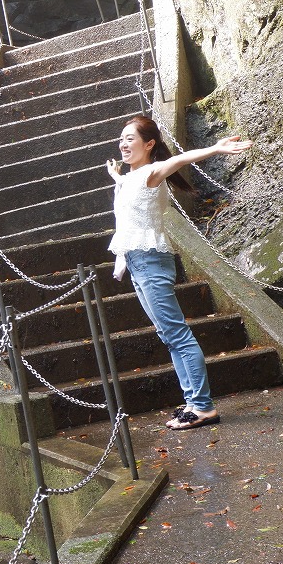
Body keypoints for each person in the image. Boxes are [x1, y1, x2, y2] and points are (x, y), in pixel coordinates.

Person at [105, 115, 253, 431]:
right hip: (136, 263)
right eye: (121, 138)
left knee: (177, 335)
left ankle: (202, 406)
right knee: (169, 336)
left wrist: (215, 148)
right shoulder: (131, 177)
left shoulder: (151, 172)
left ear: (149, 144)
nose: (123, 143)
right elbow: (129, 197)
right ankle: (193, 402)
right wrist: (115, 176)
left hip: (150, 263)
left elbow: (180, 159)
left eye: (130, 138)